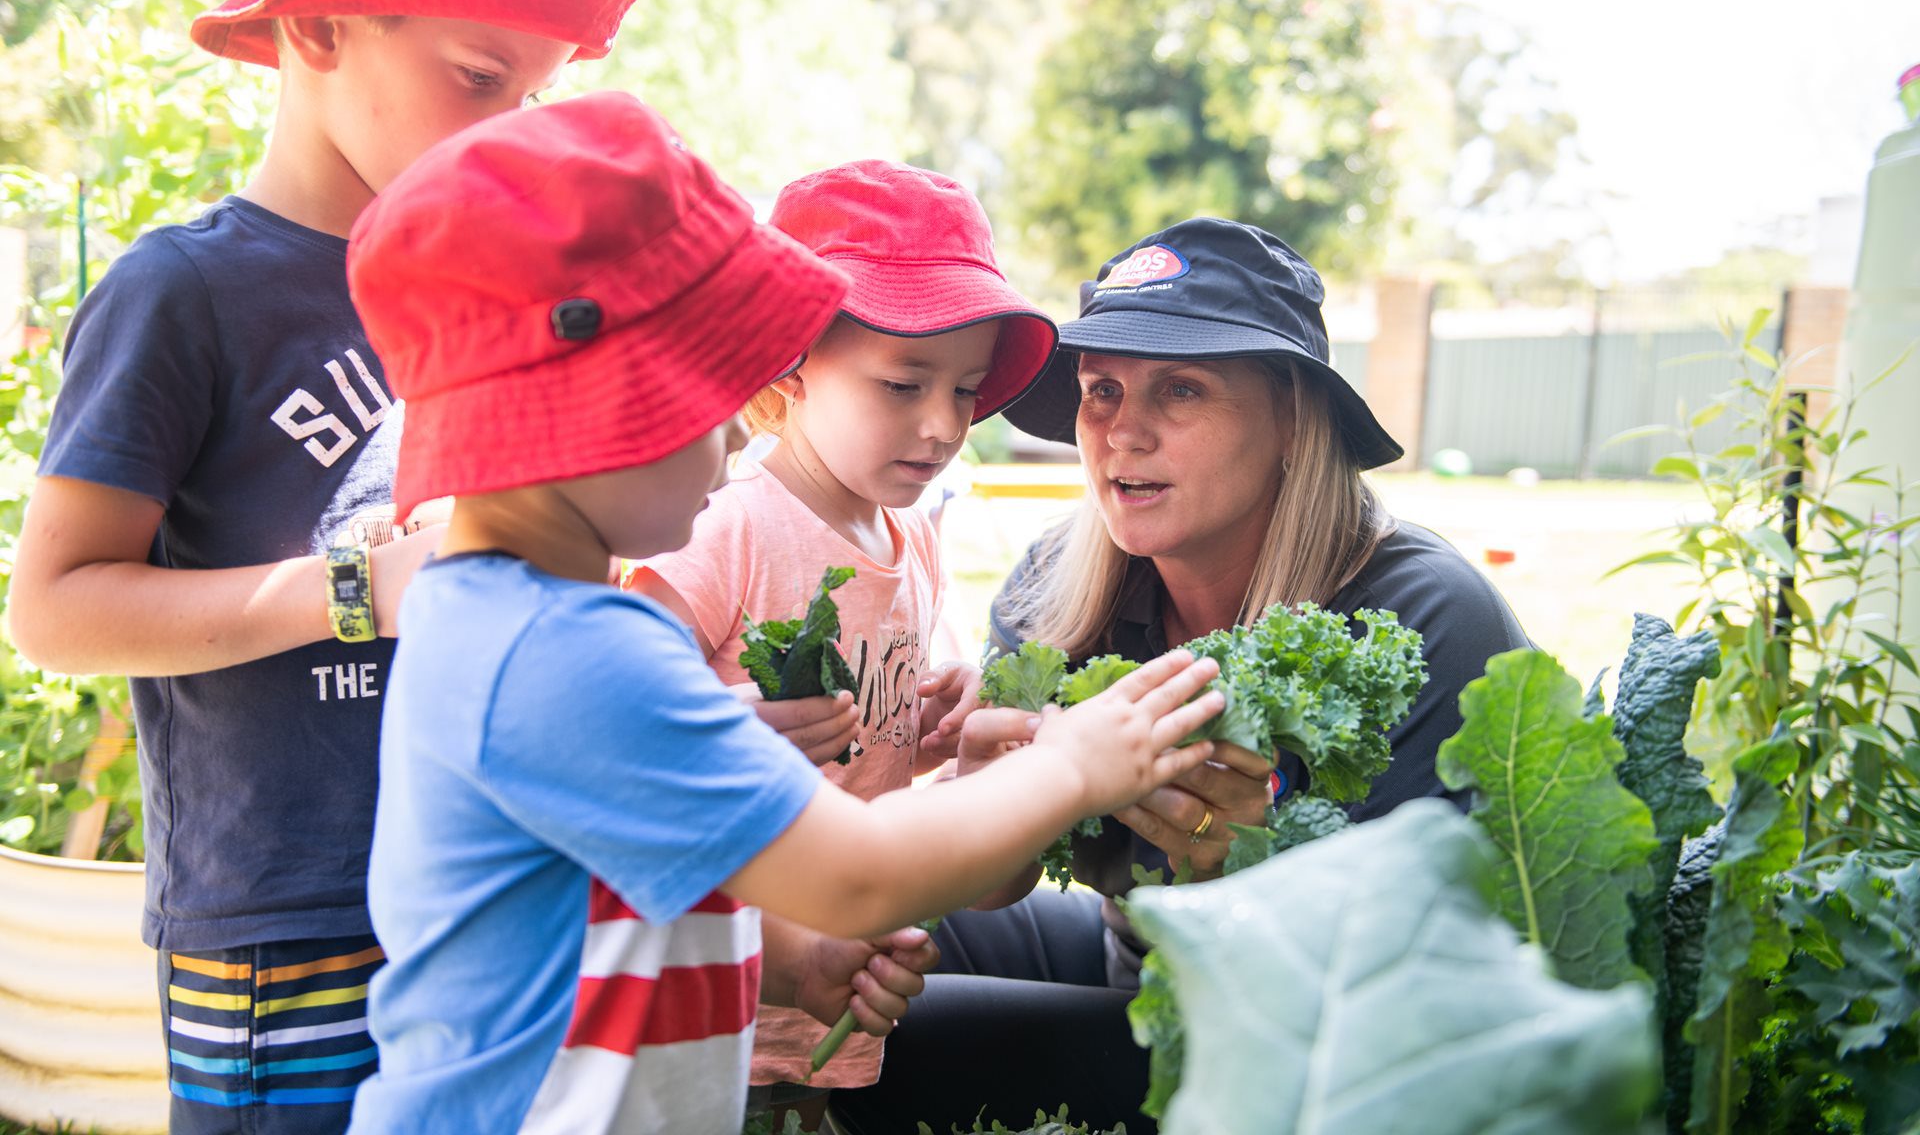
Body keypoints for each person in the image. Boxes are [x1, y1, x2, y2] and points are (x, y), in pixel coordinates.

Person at [338, 91, 1227, 1135]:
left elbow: (601, 918)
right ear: (597, 401)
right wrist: (1074, 761)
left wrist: (787, 963)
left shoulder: (496, 617)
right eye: (710, 386)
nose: (733, 429)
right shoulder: (569, 652)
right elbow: (860, 870)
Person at [6, 0, 640, 1128]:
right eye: (478, 77)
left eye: (535, 93)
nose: (509, 126)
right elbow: (57, 608)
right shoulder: (180, 293)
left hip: (480, 875)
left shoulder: (492, 291)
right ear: (316, 26)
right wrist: (358, 588)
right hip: (282, 919)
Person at [832, 217, 1531, 1135]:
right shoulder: (1057, 590)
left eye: (1183, 389)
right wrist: (982, 797)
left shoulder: (1427, 618)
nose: (1123, 433)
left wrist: (1244, 861)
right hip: (1141, 961)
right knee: (848, 948)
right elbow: (998, 878)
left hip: (1323, 1052)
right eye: (1103, 392)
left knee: (900, 1043)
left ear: (1292, 415)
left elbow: (1402, 982)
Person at [622, 159, 1057, 1111]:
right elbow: (616, 728)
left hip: (838, 1011)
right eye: (904, 384)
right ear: (787, 362)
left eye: (968, 391)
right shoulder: (724, 524)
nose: (945, 426)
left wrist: (934, 744)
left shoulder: (909, 539)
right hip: (706, 1012)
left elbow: (878, 786)